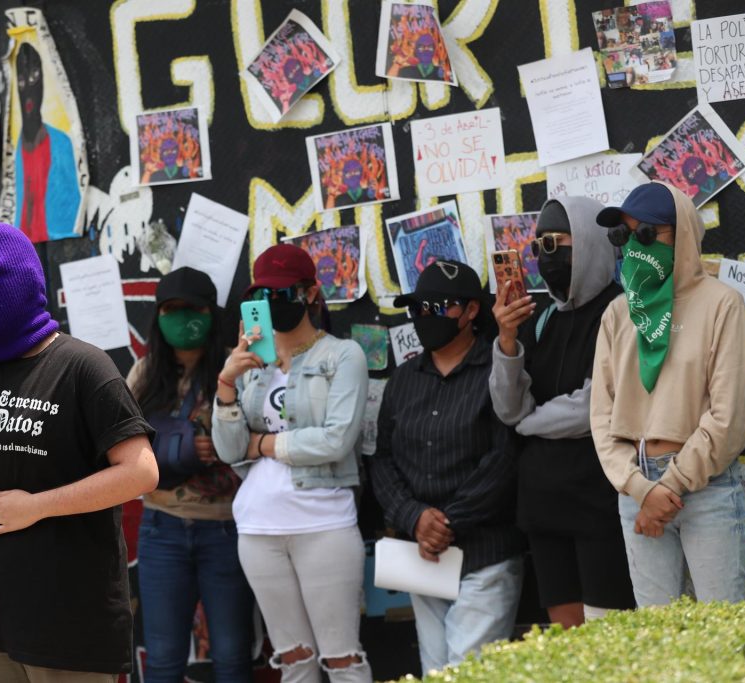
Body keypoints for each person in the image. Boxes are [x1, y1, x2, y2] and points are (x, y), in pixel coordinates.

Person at [0, 222, 158, 681]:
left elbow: (140, 473)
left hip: (69, 618)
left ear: (18, 274)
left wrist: (36, 507)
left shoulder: (84, 366)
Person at [213, 243, 372, 683]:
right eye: (263, 296)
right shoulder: (250, 364)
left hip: (323, 524)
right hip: (258, 529)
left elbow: (335, 441)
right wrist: (227, 382)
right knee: (293, 660)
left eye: (285, 294)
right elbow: (228, 449)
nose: (273, 304)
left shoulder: (342, 356)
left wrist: (262, 445)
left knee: (342, 659)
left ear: (311, 294)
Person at [592, 182, 745, 606]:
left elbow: (728, 419)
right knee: (657, 645)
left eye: (646, 234)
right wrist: (640, 488)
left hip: (708, 489)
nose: (633, 246)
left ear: (680, 234)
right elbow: (602, 415)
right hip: (636, 487)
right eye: (623, 236)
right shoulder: (617, 313)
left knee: (721, 646)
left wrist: (672, 484)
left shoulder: (723, 305)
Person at [371, 260, 524, 676]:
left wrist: (447, 522)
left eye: (438, 308)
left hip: (485, 554)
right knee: (434, 671)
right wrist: (415, 518)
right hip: (424, 557)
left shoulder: (500, 369)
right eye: (418, 309)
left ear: (472, 311)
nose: (426, 318)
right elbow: (382, 459)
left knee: (467, 674)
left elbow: (506, 457)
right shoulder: (402, 380)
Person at [488, 197, 635, 628]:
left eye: (555, 242)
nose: (545, 256)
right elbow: (507, 406)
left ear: (588, 242)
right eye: (537, 247)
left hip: (600, 499)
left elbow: (597, 405)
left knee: (608, 633)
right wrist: (507, 342)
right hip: (543, 503)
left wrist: (527, 425)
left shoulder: (621, 310)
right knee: (566, 634)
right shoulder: (542, 319)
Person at [126, 267, 254, 683]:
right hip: (161, 529)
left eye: (193, 309)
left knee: (234, 656)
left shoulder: (240, 370)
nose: (183, 318)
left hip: (227, 529)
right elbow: (123, 451)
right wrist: (179, 450)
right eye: (171, 309)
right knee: (163, 660)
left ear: (211, 313)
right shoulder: (143, 376)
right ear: (158, 316)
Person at [13, 42, 80, 242]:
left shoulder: (61, 143)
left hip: (58, 247)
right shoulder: (16, 152)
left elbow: (72, 209)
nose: (28, 90)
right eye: (22, 81)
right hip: (27, 252)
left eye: (34, 77)